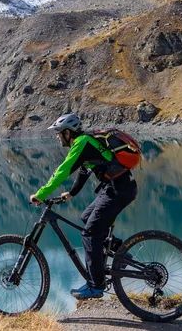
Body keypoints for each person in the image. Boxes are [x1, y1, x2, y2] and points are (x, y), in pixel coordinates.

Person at [29, 113, 138, 299]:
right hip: (116, 187)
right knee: (87, 217)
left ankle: (96, 285)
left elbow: (63, 171)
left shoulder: (82, 143)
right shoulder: (86, 142)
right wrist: (72, 193)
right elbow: (84, 170)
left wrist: (41, 194)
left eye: (59, 133)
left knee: (90, 234)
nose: (57, 137)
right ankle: (121, 254)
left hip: (118, 190)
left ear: (68, 133)